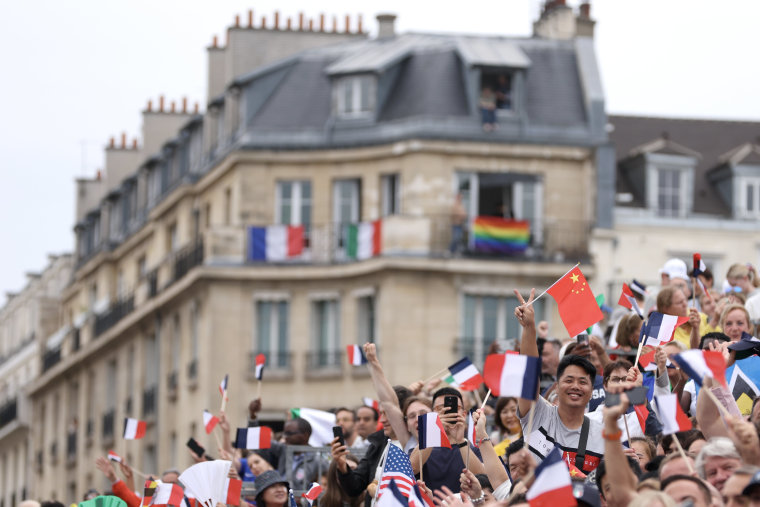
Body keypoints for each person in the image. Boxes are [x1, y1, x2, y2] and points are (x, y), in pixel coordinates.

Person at [513, 289, 605, 473]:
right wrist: (529, 328)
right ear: (557, 384)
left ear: (591, 389)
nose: (575, 387)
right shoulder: (539, 415)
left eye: (583, 382)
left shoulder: (602, 435)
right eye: (569, 380)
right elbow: (529, 376)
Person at [410, 387, 485, 492]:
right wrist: (435, 430)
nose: (447, 413)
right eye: (440, 409)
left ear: (463, 414)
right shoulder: (423, 446)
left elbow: (482, 477)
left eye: (454, 407)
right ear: (433, 414)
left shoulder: (475, 447)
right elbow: (412, 468)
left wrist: (460, 440)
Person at [284, 417, 329, 491]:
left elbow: (325, 489)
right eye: (285, 433)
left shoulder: (319, 461)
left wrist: (303, 499)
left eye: (290, 433)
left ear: (305, 435)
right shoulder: (282, 453)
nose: (285, 437)